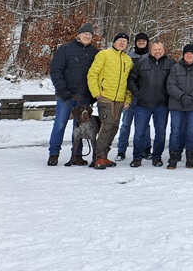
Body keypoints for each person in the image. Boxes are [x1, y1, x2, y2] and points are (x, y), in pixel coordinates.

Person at [48, 22, 98, 166]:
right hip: (66, 96)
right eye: (85, 34)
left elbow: (97, 74)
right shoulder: (65, 49)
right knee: (60, 124)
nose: (87, 37)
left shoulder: (94, 52)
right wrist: (62, 89)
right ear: (78, 35)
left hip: (84, 97)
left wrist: (93, 94)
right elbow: (55, 70)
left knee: (80, 127)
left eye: (90, 35)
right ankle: (54, 154)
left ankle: (77, 155)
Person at [87, 32, 134, 170]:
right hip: (105, 97)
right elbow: (92, 74)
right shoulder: (104, 55)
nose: (122, 43)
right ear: (114, 42)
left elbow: (129, 82)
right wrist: (97, 93)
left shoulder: (128, 60)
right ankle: (98, 158)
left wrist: (127, 98)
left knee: (114, 127)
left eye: (125, 42)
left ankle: (104, 155)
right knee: (106, 125)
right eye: (119, 41)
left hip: (120, 99)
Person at [126, 40, 174, 167]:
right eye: (155, 49)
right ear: (150, 50)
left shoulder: (171, 64)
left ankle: (157, 157)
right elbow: (131, 79)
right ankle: (137, 157)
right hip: (143, 104)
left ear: (164, 50)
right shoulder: (142, 62)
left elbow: (175, 81)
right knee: (139, 132)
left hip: (162, 104)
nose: (157, 52)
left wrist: (169, 96)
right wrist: (139, 94)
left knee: (160, 132)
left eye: (160, 49)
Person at [166, 44, 193, 169]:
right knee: (175, 131)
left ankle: (190, 158)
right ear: (183, 54)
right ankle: (173, 157)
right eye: (186, 53)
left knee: (191, 132)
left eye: (191, 53)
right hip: (176, 105)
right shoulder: (175, 67)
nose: (189, 55)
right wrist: (182, 96)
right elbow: (170, 85)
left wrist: (191, 97)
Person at [115, 32, 149, 161]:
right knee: (126, 123)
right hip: (130, 95)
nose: (141, 43)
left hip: (145, 96)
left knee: (145, 125)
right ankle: (121, 150)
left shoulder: (150, 56)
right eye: (139, 41)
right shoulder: (129, 56)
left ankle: (146, 149)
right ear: (135, 43)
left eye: (143, 41)